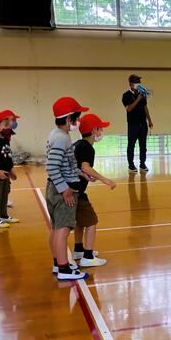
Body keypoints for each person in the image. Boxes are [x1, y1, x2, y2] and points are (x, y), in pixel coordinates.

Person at [46, 96, 89, 281]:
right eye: (77, 117)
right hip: (62, 190)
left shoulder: (56, 134)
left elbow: (65, 164)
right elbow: (52, 166)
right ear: (69, 118)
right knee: (63, 230)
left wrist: (80, 173)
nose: (78, 121)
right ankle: (64, 268)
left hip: (54, 187)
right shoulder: (62, 138)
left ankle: (58, 263)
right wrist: (65, 189)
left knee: (56, 228)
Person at [72, 114, 116, 267]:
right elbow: (85, 166)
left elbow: (79, 167)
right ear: (93, 130)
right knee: (91, 221)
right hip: (76, 191)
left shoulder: (78, 144)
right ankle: (88, 256)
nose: (102, 131)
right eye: (100, 128)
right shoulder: (87, 147)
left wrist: (86, 175)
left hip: (75, 190)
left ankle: (78, 249)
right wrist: (106, 180)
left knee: (80, 221)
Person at [121, 74, 154, 174]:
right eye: (136, 82)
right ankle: (131, 164)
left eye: (139, 82)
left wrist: (149, 120)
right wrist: (138, 99)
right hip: (133, 125)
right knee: (131, 145)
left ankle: (142, 163)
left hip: (143, 124)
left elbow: (145, 107)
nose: (138, 84)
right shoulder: (126, 95)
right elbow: (129, 109)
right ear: (130, 84)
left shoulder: (142, 94)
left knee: (143, 145)